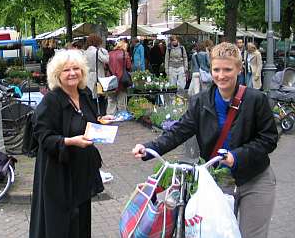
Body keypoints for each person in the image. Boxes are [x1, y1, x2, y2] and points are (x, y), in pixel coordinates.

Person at [133, 42, 278, 238]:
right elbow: (179, 131)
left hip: (254, 178)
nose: (221, 75)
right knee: (216, 232)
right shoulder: (200, 101)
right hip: (218, 181)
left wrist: (237, 156)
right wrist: (149, 148)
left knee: (252, 235)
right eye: (216, 69)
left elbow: (268, 139)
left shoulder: (256, 99)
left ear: (238, 68)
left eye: (227, 69)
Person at [29, 49, 114, 238]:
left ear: (83, 72)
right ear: (57, 75)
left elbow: (86, 120)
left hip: (81, 171)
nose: (72, 73)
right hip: (58, 173)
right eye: (66, 70)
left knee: (81, 220)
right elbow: (43, 137)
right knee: (60, 224)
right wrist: (69, 141)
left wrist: (100, 120)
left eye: (76, 68)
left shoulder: (84, 94)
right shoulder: (51, 101)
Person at [84, 34, 109, 115]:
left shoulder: (85, 52)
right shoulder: (97, 51)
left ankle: (92, 115)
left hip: (88, 77)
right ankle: (101, 115)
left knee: (91, 98)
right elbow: (106, 60)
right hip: (99, 77)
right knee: (101, 98)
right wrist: (104, 52)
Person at [106, 41, 132, 115]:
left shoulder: (109, 53)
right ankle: (121, 116)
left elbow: (105, 66)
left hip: (110, 79)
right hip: (122, 79)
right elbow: (129, 67)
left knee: (111, 99)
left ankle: (110, 116)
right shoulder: (125, 54)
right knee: (122, 99)